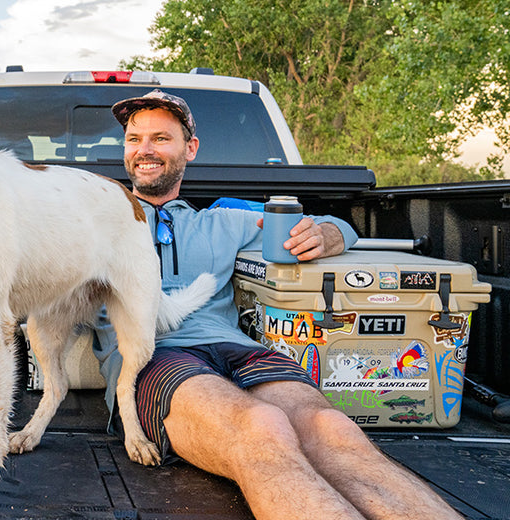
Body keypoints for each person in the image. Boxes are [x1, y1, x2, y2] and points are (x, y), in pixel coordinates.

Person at [93, 90, 463, 520]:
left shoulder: (223, 220)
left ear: (189, 149)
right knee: (260, 429)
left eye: (161, 138)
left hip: (238, 350)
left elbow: (325, 224)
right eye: (134, 139)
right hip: (154, 358)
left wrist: (330, 235)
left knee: (335, 431)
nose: (145, 150)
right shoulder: (96, 218)